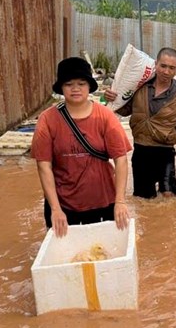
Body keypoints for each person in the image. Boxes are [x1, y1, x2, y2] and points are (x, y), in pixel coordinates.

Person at [31, 57, 132, 237]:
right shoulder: (47, 120)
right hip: (63, 205)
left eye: (81, 83)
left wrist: (120, 201)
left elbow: (121, 159)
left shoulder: (105, 117)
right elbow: (43, 166)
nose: (75, 88)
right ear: (61, 88)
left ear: (89, 86)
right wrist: (55, 209)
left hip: (103, 201)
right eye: (69, 84)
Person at [104, 47, 176, 199]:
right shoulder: (139, 86)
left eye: (171, 68)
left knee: (169, 195)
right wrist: (111, 97)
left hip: (165, 151)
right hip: (141, 150)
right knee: (143, 199)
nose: (166, 71)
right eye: (163, 66)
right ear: (156, 64)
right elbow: (125, 109)